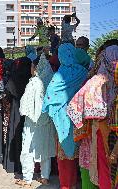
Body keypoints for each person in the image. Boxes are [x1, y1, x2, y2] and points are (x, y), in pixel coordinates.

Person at [67, 44, 118, 189]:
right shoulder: (100, 81)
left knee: (107, 173)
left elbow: (74, 108)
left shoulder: (97, 81)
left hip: (104, 136)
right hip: (106, 136)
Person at [42, 43, 90, 189]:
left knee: (64, 154)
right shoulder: (83, 71)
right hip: (79, 118)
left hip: (62, 119)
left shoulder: (59, 74)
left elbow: (50, 96)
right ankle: (76, 183)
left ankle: (66, 185)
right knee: (79, 152)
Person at [16, 54, 56, 187]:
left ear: (36, 67)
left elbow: (25, 104)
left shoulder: (34, 82)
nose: (31, 69)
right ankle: (45, 177)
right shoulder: (51, 80)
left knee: (27, 149)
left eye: (32, 66)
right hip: (47, 121)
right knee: (45, 148)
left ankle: (27, 179)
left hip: (32, 122)